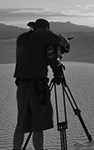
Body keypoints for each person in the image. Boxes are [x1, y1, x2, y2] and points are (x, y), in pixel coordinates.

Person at [13, 18, 69, 150]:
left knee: (21, 124)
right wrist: (58, 41)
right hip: (37, 86)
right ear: (45, 28)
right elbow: (64, 42)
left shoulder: (22, 38)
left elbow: (35, 54)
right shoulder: (44, 34)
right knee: (37, 124)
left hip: (21, 86)